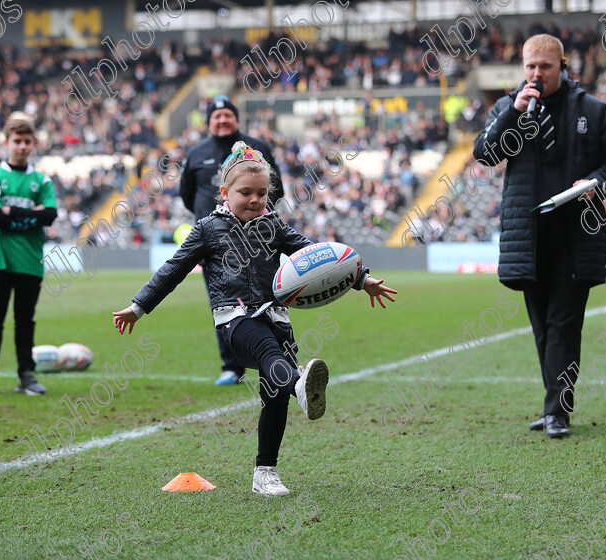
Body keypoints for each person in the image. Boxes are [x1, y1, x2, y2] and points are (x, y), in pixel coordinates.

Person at [113, 142, 396, 496]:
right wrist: (138, 306)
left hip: (276, 317)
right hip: (234, 318)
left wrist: (361, 278)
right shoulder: (206, 229)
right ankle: (299, 386)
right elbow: (172, 271)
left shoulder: (273, 226)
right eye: (245, 192)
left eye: (262, 193)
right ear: (224, 192)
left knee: (274, 397)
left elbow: (317, 257)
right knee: (265, 351)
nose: (255, 200)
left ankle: (266, 473)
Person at [473, 34, 606, 438]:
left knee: (563, 324)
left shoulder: (592, 109)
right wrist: (511, 115)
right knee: (542, 326)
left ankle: (557, 411)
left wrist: (594, 181)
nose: (536, 74)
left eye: (545, 67)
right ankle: (554, 405)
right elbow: (485, 153)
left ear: (562, 66)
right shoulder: (509, 107)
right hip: (529, 235)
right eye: (530, 67)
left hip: (577, 234)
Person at [179, 95, 285, 386]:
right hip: (215, 245)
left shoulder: (258, 148)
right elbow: (187, 194)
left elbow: (276, 190)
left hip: (258, 241)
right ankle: (231, 367)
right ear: (209, 122)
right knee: (222, 304)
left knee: (268, 298)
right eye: (217, 116)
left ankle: (276, 359)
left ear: (236, 118)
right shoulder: (196, 154)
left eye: (228, 114)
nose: (223, 120)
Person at [0, 114, 57, 397]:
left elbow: (49, 215)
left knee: (25, 321)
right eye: (16, 141)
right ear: (7, 142)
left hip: (30, 262)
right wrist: (30, 214)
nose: (22, 146)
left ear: (34, 144)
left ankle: (26, 375)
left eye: (27, 142)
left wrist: (13, 212)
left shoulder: (41, 180)